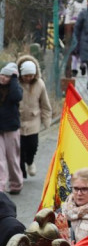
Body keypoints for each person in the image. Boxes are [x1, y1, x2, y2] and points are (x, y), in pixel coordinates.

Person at [15, 56, 52, 178]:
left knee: (32, 146)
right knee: (19, 148)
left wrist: (46, 121)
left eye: (31, 75)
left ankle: (30, 162)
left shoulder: (40, 84)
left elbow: (45, 104)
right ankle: (20, 173)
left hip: (33, 120)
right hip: (18, 120)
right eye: (26, 76)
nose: (28, 78)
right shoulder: (15, 83)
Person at [0, 64, 22, 195]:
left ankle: (16, 184)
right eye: (2, 74)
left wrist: (14, 79)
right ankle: (1, 186)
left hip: (11, 128)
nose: (3, 78)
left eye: (7, 76)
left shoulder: (15, 89)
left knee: (12, 158)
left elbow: (16, 97)